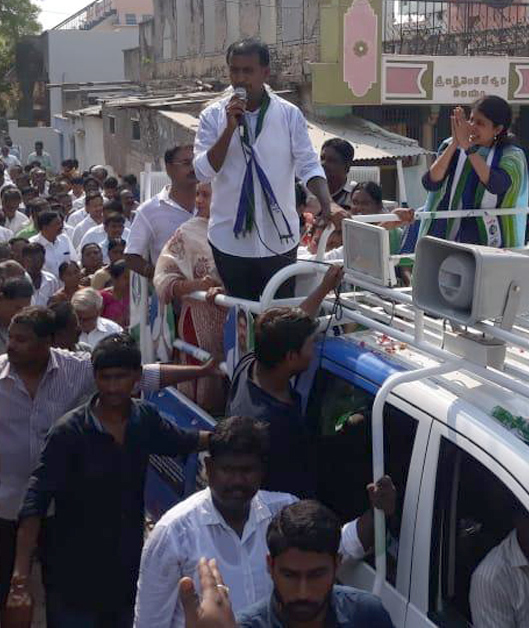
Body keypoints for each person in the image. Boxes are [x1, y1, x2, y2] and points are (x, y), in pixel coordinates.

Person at [0, 306, 219, 610]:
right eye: (11, 338)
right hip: (8, 496)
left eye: (22, 339)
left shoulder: (80, 370)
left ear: (47, 343)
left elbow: (145, 377)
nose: (11, 345)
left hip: (62, 505)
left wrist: (202, 372)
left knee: (59, 579)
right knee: (12, 578)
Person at [5, 336, 210, 628]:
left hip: (126, 570)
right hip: (73, 575)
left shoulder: (144, 418)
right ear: (95, 378)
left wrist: (226, 436)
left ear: (137, 377)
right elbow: (34, 501)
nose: (113, 387)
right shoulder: (68, 432)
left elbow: (182, 440)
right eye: (105, 378)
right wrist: (20, 577)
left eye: (121, 377)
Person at [134, 417, 394, 628]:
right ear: (210, 469)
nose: (237, 481)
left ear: (262, 471)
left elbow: (336, 545)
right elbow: (148, 622)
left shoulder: (283, 509)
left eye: (247, 470)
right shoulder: (173, 533)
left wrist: (378, 512)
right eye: (227, 470)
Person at [194, 39, 332, 302]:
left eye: (248, 71)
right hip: (229, 241)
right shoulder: (213, 117)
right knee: (241, 318)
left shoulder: (289, 115)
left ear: (265, 73)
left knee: (278, 317)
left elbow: (308, 164)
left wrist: (327, 202)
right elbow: (203, 171)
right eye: (234, 71)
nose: (240, 79)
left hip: (280, 239)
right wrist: (229, 129)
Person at [227, 266, 345, 498]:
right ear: (291, 356)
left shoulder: (250, 363)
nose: (314, 350)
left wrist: (323, 288)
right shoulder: (276, 426)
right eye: (311, 344)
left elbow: (287, 329)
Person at [237, 500, 394, 628]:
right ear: (270, 566)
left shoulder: (367, 616)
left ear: (337, 564)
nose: (303, 593)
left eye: (316, 575)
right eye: (290, 575)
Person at [406, 96, 529, 250]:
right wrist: (455, 144)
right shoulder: (452, 146)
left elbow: (496, 184)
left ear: (497, 129)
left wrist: (468, 148)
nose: (472, 127)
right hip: (445, 232)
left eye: (480, 123)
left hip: (488, 240)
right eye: (471, 120)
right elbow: (430, 182)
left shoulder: (511, 156)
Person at [155, 181, 227, 412]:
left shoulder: (244, 230)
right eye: (197, 194)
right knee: (202, 376)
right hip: (198, 319)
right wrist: (198, 285)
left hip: (233, 319)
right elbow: (164, 278)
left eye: (206, 195)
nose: (199, 201)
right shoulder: (188, 232)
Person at [30, 211, 74, 277]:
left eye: (61, 223)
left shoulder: (64, 239)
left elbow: (74, 260)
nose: (61, 226)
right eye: (57, 224)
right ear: (45, 227)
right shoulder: (32, 244)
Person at [318, 138, 357, 209]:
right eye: (322, 158)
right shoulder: (307, 190)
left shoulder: (356, 194)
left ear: (347, 167)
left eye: (331, 160)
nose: (323, 164)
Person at [101, 261, 132, 327]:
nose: (129, 281)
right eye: (125, 278)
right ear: (114, 278)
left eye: (131, 278)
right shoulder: (102, 297)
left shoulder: (135, 297)